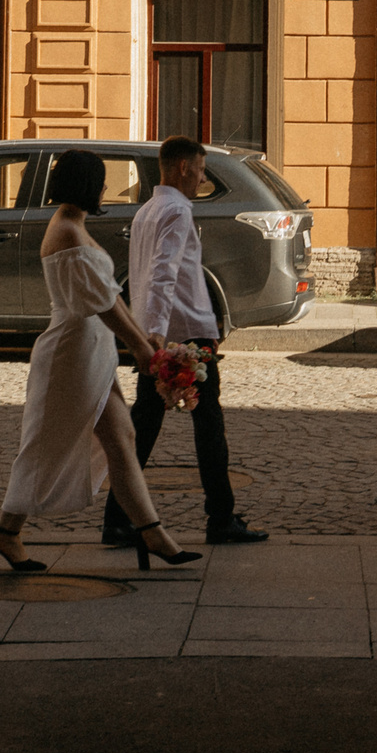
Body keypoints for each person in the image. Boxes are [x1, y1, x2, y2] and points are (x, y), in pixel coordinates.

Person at [0, 148, 202, 573]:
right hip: (71, 355)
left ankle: (150, 532)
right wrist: (142, 349)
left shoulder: (73, 224)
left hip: (90, 350)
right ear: (86, 184)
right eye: (101, 180)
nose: (105, 187)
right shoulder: (66, 229)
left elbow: (111, 298)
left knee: (121, 436)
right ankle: (6, 532)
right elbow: (103, 302)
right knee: (45, 447)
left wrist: (148, 343)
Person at [103, 136, 270, 547]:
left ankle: (118, 517)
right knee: (208, 427)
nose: (200, 179)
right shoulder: (177, 210)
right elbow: (163, 272)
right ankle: (220, 518)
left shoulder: (147, 210)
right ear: (182, 168)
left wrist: (148, 331)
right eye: (198, 170)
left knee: (144, 425)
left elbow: (144, 276)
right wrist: (159, 331)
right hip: (186, 334)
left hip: (156, 331)